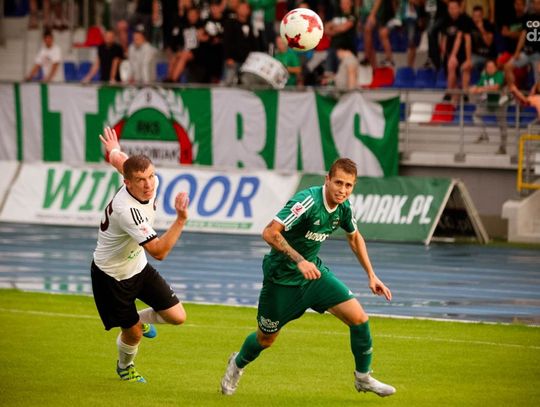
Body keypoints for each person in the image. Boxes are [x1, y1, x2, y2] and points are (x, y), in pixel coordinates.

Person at [220, 158, 395, 398]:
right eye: (338, 183)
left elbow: (354, 237)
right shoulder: (307, 201)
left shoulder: (344, 207)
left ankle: (363, 378)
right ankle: (237, 363)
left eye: (348, 185)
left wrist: (372, 275)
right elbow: (269, 232)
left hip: (314, 277)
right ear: (327, 179)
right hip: (281, 280)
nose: (343, 190)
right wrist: (299, 260)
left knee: (359, 319)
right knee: (265, 339)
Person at [91, 127, 188, 383]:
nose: (149, 184)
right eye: (141, 180)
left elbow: (120, 160)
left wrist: (113, 149)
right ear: (127, 182)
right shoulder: (127, 211)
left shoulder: (144, 181)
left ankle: (139, 320)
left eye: (151, 176)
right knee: (132, 334)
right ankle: (125, 367)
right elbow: (159, 252)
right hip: (111, 276)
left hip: (137, 266)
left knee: (177, 317)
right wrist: (180, 219)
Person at [470, 59, 507, 154]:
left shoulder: (499, 74)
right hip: (489, 102)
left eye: (492, 67)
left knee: (502, 125)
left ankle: (503, 148)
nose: (490, 69)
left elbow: (496, 87)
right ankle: (483, 134)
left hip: (500, 103)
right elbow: (477, 87)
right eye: (488, 67)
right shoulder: (484, 76)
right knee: (476, 115)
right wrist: (474, 88)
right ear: (486, 68)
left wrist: (482, 89)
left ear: (496, 68)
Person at [441, 0, 473, 103]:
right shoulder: (445, 20)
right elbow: (444, 38)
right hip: (450, 53)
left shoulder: (465, 19)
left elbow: (464, 39)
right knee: (451, 67)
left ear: (459, 8)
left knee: (465, 68)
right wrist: (446, 55)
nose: (452, 10)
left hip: (462, 52)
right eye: (450, 8)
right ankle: (451, 93)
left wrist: (468, 59)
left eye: (455, 8)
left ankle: (465, 94)